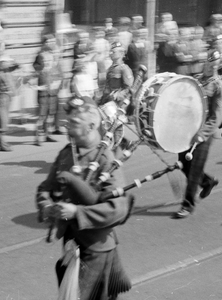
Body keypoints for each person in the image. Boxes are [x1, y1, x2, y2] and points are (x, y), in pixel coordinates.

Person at [36, 95, 132, 300]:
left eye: (73, 123)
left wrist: (77, 212)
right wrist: (46, 207)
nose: (67, 127)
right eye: (67, 121)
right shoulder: (66, 153)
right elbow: (45, 188)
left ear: (90, 126)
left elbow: (118, 208)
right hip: (72, 245)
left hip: (96, 248)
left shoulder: (106, 158)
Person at [174, 49, 222, 218]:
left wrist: (203, 134)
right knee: (183, 162)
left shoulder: (218, 85)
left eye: (216, 66)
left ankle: (187, 205)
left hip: (204, 133)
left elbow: (216, 116)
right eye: (211, 65)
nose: (213, 69)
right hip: (189, 129)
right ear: (206, 63)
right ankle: (207, 182)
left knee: (194, 169)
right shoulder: (196, 81)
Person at [33, 34, 63, 145]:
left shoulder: (55, 55)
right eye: (48, 41)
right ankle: (37, 137)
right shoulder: (40, 55)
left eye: (52, 41)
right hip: (43, 91)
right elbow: (36, 69)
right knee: (42, 115)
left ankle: (47, 134)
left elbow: (59, 73)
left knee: (50, 114)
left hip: (53, 92)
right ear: (44, 43)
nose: (50, 43)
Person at [100, 42, 134, 106]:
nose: (111, 54)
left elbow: (129, 89)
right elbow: (106, 88)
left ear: (121, 53)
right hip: (109, 101)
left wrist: (118, 95)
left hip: (120, 103)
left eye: (113, 52)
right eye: (110, 52)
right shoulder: (110, 69)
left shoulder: (124, 69)